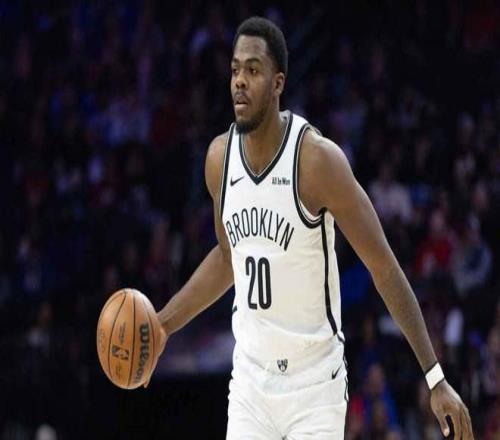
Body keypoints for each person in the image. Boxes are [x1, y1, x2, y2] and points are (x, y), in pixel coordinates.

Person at [154, 16, 474, 439]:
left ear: (278, 83)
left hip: (314, 388)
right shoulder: (219, 160)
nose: (240, 81)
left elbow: (383, 267)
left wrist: (435, 379)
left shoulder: (317, 161)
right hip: (250, 383)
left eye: (253, 70)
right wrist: (163, 325)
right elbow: (229, 257)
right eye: (235, 70)